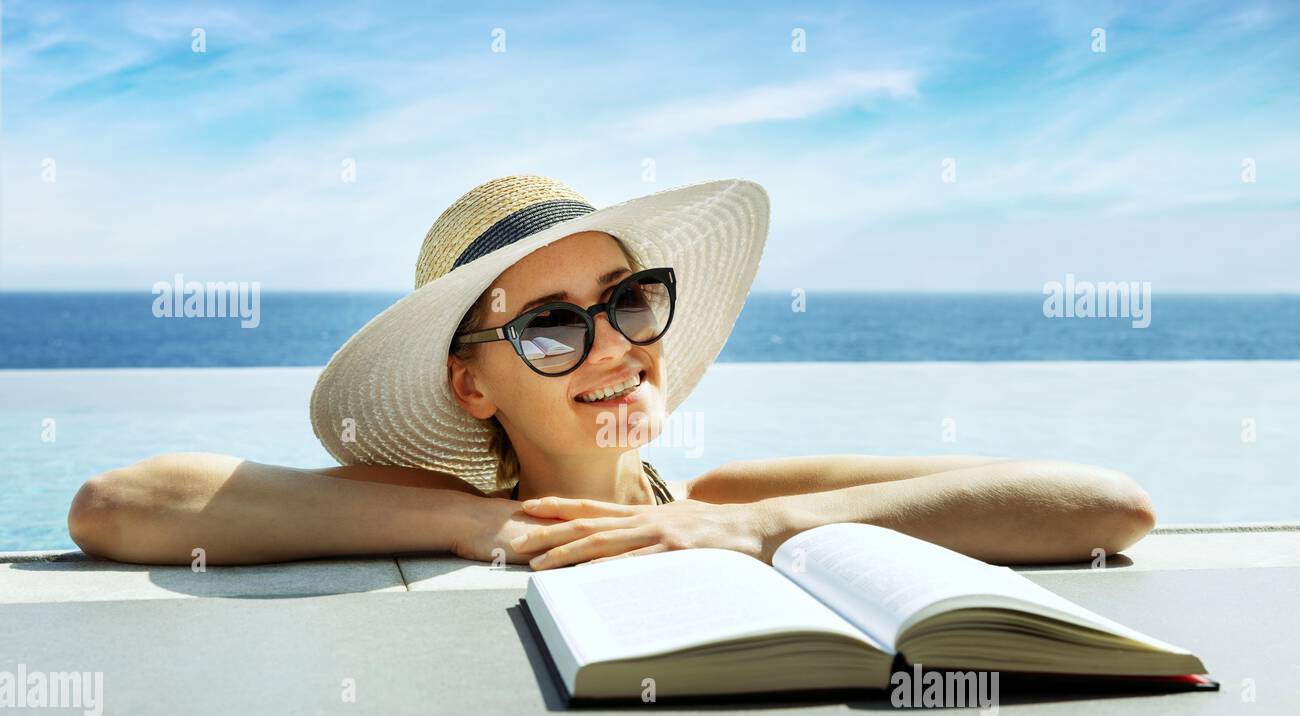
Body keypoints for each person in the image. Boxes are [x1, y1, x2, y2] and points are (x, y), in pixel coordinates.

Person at [67, 174, 1155, 568]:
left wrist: (756, 530)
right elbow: (116, 507)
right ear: (471, 386)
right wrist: (468, 524)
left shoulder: (727, 499)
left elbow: (1106, 507)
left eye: (630, 301)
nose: (617, 348)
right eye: (550, 326)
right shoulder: (441, 508)